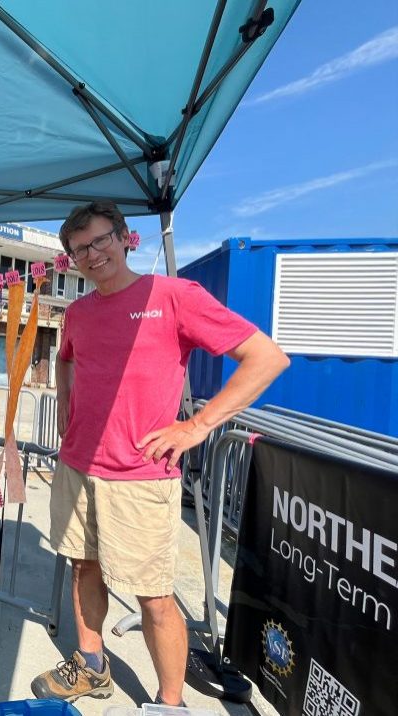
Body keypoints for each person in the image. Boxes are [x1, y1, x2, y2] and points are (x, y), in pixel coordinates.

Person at [31, 201, 289, 707]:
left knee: (153, 595)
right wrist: (66, 410)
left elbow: (266, 357)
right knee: (83, 567)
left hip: (141, 477)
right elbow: (65, 362)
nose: (92, 254)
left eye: (101, 240)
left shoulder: (172, 296)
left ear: (126, 238)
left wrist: (197, 425)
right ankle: (91, 665)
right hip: (78, 466)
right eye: (80, 248)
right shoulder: (78, 314)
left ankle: (169, 703)